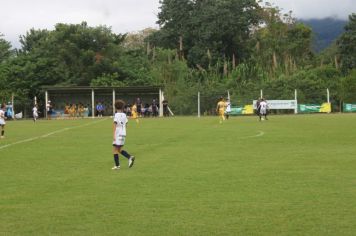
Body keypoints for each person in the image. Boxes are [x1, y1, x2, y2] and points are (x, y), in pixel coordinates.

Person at [112, 99, 135, 170]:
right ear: (123, 107)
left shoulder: (116, 115)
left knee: (115, 150)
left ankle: (117, 166)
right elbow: (126, 124)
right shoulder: (124, 115)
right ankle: (129, 157)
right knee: (119, 149)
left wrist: (113, 135)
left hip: (118, 133)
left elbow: (115, 125)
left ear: (115, 107)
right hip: (123, 133)